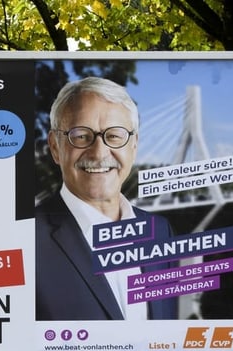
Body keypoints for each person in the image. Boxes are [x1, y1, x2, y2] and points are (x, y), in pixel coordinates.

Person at [35, 76, 178, 320]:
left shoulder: (160, 232)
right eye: (81, 136)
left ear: (134, 145)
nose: (99, 152)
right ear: (56, 147)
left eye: (114, 136)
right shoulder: (26, 240)